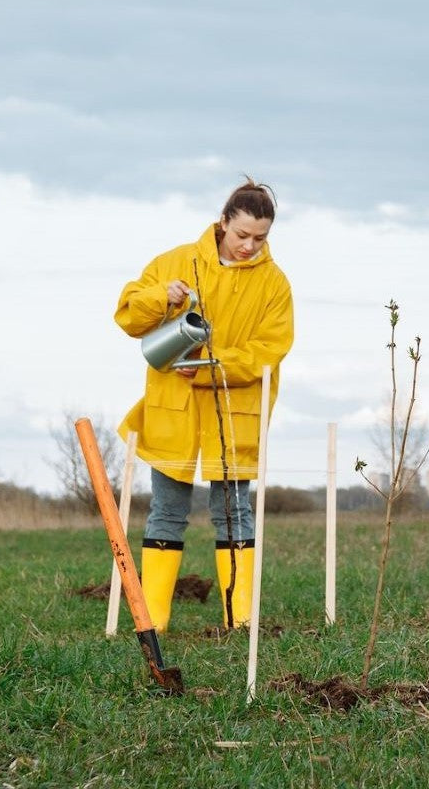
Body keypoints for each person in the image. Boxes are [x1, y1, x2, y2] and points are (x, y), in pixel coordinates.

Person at [114, 179, 295, 632]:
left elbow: (269, 350)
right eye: (242, 236)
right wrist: (163, 298)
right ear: (223, 223)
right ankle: (152, 621)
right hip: (172, 408)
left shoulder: (275, 284)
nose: (250, 246)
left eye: (260, 238)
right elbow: (129, 316)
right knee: (167, 509)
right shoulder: (175, 262)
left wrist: (213, 366)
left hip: (237, 411)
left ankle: (240, 621)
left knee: (234, 512)